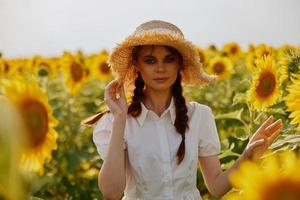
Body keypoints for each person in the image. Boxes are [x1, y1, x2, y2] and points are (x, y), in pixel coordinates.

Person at [82, 20, 283, 200]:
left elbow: (216, 187)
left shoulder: (199, 116)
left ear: (179, 64)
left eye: (169, 59)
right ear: (137, 66)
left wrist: (247, 155)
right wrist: (119, 120)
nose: (160, 68)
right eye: (150, 60)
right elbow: (111, 193)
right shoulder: (116, 122)